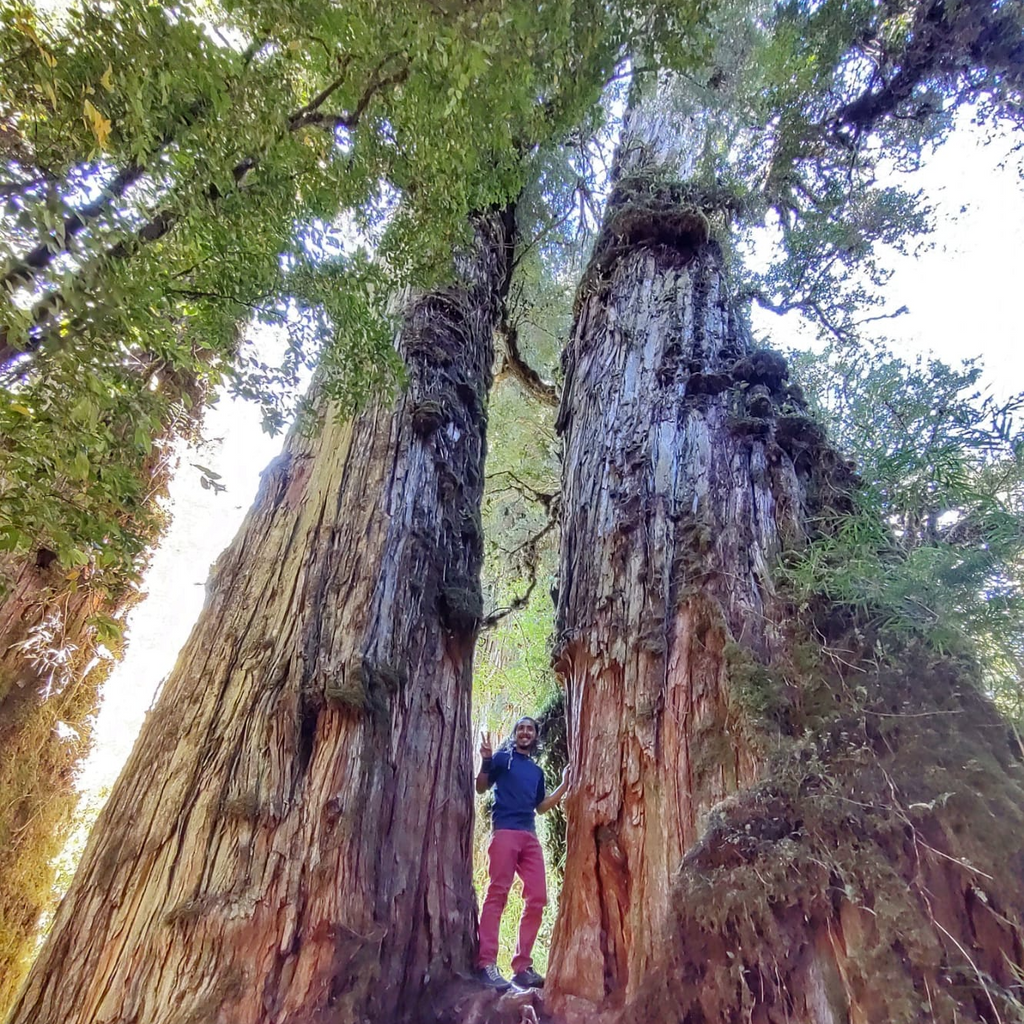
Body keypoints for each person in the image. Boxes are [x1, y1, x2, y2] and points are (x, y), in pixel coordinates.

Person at [475, 715, 570, 991]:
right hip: (504, 831)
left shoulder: (537, 773)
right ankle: (486, 964)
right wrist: (485, 759)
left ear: (535, 736)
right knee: (497, 894)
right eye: (521, 728)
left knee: (538, 897)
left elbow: (541, 807)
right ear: (515, 734)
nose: (525, 732)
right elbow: (481, 787)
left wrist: (564, 785)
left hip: (529, 836)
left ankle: (522, 968)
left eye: (530, 729)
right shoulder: (503, 759)